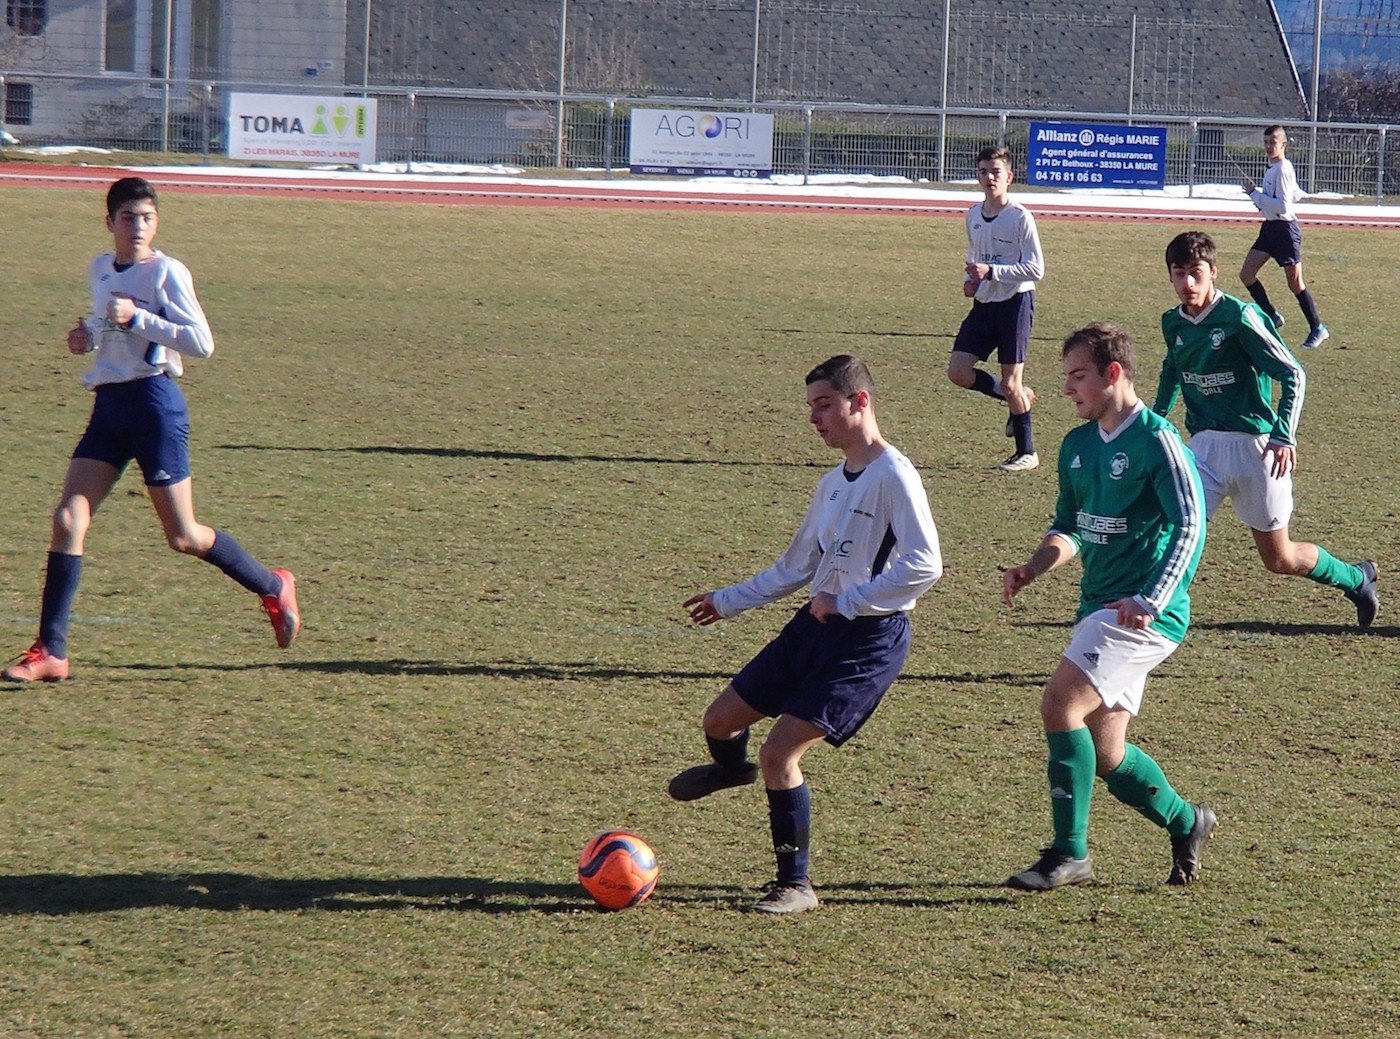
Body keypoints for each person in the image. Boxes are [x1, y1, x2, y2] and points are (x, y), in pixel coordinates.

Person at [671, 355, 943, 914]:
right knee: (719, 721)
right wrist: (726, 600)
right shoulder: (832, 484)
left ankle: (796, 885)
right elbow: (797, 566)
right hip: (814, 627)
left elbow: (925, 565)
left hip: (868, 641)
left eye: (824, 405)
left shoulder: (895, 476)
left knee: (779, 753)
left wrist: (847, 601)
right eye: (810, 407)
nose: (814, 418)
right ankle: (732, 769)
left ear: (859, 402)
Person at [2, 177, 300, 683]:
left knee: (183, 536)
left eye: (147, 218)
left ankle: (272, 584)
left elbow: (201, 343)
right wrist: (88, 334)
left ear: (156, 223)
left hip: (154, 406)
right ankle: (51, 651)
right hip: (109, 407)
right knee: (68, 519)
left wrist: (137, 317)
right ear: (109, 222)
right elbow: (109, 324)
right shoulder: (101, 268)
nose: (138, 227)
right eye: (128, 218)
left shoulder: (167, 272)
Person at [1002, 322, 1216, 891]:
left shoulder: (1158, 440)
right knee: (1106, 751)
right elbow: (1070, 527)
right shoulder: (1076, 446)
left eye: (1078, 376)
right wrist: (1033, 566)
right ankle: (1187, 821)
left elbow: (1190, 525)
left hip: (1141, 613)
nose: (1067, 388)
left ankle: (1069, 853)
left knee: (1059, 704)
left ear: (1113, 374)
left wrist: (1151, 597)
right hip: (1099, 608)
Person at [1157, 230, 1377, 628]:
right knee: (1176, 529)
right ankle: (1159, 611)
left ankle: (1356, 579)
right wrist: (1155, 423)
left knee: (1279, 558)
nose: (1188, 282)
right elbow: (1172, 370)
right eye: (1179, 272)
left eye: (1196, 272)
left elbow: (1293, 373)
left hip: (1256, 450)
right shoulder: (1173, 323)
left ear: (1213, 272)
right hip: (1203, 450)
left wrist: (1283, 434)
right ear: (1170, 275)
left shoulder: (1240, 317)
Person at [948, 144, 1045, 472]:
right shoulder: (973, 215)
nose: (989, 178)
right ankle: (1019, 397)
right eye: (983, 172)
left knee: (1010, 382)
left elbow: (1036, 269)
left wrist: (992, 272)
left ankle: (1027, 453)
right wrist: (970, 280)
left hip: (1015, 304)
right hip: (984, 303)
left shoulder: (1020, 217)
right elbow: (974, 256)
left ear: (1009, 177)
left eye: (995, 172)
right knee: (958, 372)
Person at [1239, 125, 1329, 350]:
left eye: (1273, 142)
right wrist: (1261, 199)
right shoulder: (1273, 169)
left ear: (1284, 144)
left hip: (1285, 231)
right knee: (1247, 274)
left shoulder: (1282, 169)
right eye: (1266, 142)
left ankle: (1318, 328)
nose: (1269, 147)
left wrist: (1255, 195)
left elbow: (1283, 206)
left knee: (1295, 283)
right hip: (1270, 229)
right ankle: (1271, 316)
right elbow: (1293, 194)